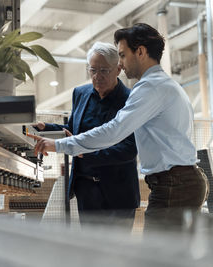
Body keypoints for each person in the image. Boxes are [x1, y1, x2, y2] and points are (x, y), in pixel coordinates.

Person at [29, 23, 208, 231]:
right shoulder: (163, 84)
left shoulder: (150, 88)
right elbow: (83, 128)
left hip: (173, 184)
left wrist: (61, 145)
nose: (121, 64)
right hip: (176, 182)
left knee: (157, 258)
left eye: (122, 55)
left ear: (140, 52)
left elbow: (113, 131)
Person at [36, 42, 140, 228]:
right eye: (92, 70)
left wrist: (87, 153)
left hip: (118, 193)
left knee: (117, 253)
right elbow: (73, 130)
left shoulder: (130, 99)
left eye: (104, 71)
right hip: (86, 189)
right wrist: (46, 128)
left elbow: (129, 148)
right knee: (90, 251)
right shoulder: (81, 93)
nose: (97, 76)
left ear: (118, 69)